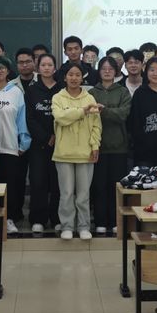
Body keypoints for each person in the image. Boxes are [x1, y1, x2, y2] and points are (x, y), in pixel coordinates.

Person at [0, 56, 31, 234]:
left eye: (2, 68)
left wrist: (23, 142)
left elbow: (22, 118)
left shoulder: (16, 92)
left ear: (8, 71)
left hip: (10, 146)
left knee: (11, 185)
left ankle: (9, 219)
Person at [52, 63, 102, 240]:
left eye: (77, 75)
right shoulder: (58, 97)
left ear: (82, 78)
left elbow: (96, 125)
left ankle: (83, 226)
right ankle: (67, 226)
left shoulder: (90, 98)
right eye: (70, 74)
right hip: (63, 153)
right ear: (65, 77)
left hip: (85, 153)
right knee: (66, 193)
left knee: (83, 194)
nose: (74, 78)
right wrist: (82, 111)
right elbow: (60, 117)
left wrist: (95, 146)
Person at [90, 56, 131, 236]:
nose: (107, 71)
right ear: (99, 71)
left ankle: (115, 221)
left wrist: (104, 110)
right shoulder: (91, 92)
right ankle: (100, 221)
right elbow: (89, 116)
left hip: (118, 147)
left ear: (116, 71)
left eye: (110, 68)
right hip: (97, 146)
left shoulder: (123, 91)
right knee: (99, 186)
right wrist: (107, 112)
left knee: (116, 186)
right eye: (103, 68)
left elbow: (123, 114)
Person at [25, 54, 62, 233]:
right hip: (38, 145)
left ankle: (57, 218)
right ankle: (38, 219)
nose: (47, 68)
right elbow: (30, 118)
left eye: (50, 65)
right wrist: (46, 137)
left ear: (55, 68)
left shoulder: (62, 89)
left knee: (58, 183)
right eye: (43, 65)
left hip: (61, 144)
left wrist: (56, 135)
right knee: (38, 181)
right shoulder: (32, 90)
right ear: (38, 68)